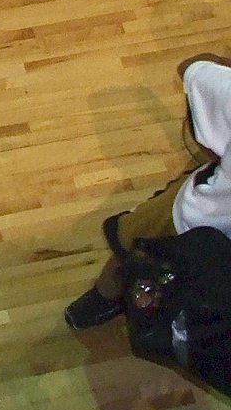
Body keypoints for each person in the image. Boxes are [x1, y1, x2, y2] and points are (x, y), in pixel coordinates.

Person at [64, 56, 230, 329]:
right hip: (198, 231)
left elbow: (194, 68)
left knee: (131, 246)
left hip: (191, 219)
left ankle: (105, 298)